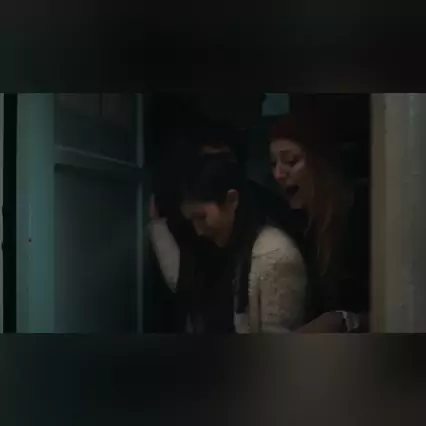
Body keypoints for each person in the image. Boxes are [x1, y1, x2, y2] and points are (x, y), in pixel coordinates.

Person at [150, 155, 307, 333]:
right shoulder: (217, 248)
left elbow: (278, 344)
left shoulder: (273, 255)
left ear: (232, 200)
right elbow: (183, 280)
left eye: (202, 217)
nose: (198, 230)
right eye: (191, 220)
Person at [268, 113, 370, 333]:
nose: (278, 174)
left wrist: (344, 320)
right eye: (273, 163)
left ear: (321, 163)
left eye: (291, 161)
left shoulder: (363, 214)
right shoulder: (297, 225)